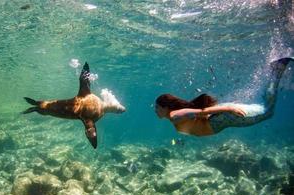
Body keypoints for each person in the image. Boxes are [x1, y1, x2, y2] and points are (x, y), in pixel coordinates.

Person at [155, 57, 293, 136]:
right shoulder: (175, 116)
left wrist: (228, 109)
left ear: (166, 107)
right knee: (266, 109)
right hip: (220, 119)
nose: (155, 111)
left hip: (222, 118)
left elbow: (203, 111)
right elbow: (199, 117)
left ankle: (277, 69)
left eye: (157, 108)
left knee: (268, 112)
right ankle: (275, 72)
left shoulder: (174, 115)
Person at [23, 62, 125, 149]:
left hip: (47, 108)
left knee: (40, 106)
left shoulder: (93, 100)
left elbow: (84, 84)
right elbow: (90, 129)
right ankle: (35, 107)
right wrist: (93, 138)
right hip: (47, 109)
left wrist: (85, 73)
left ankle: (35, 106)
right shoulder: (98, 114)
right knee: (40, 107)